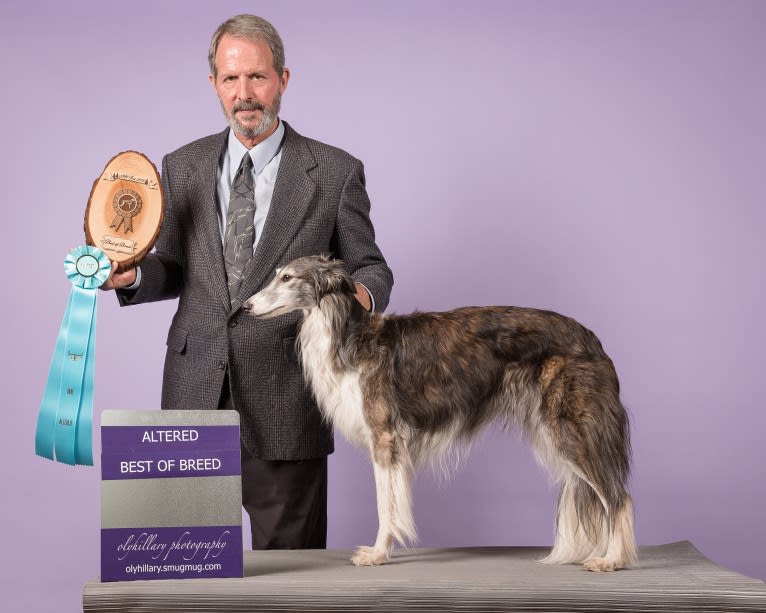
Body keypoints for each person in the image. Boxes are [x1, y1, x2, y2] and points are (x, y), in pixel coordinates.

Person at [102, 14, 393, 549]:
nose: (245, 94)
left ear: (283, 79)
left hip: (289, 400)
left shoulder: (334, 171)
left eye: (257, 77)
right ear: (214, 83)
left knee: (290, 584)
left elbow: (371, 266)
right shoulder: (181, 166)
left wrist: (354, 298)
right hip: (193, 396)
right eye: (231, 79)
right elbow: (174, 265)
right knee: (188, 574)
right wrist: (133, 274)